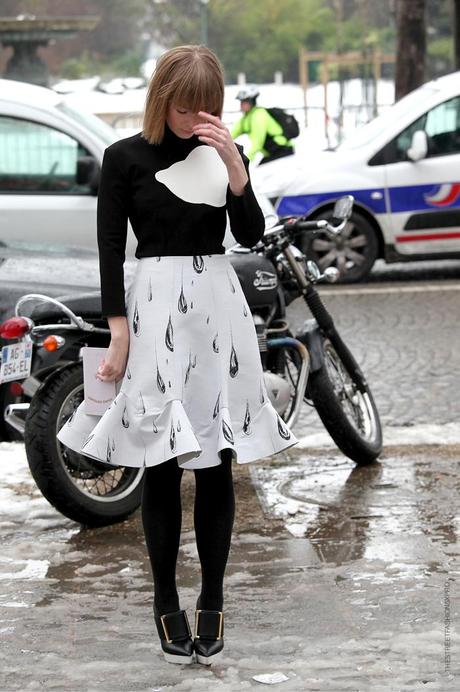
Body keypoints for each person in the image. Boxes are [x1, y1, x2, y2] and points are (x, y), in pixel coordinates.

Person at [57, 45, 297, 667]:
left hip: (216, 311)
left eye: (208, 107)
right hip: (153, 310)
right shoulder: (123, 158)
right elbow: (111, 249)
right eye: (187, 106)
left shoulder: (224, 153)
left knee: (216, 459)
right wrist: (118, 331)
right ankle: (165, 597)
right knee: (160, 461)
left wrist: (236, 171)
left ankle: (213, 596)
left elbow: (248, 235)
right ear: (163, 98)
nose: (198, 117)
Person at [231, 86, 295, 164]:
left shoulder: (259, 115)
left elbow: (257, 143)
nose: (241, 105)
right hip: (272, 153)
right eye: (241, 102)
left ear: (251, 102)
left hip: (283, 150)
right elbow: (231, 134)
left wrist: (244, 162)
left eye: (244, 102)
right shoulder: (246, 118)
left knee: (260, 173)